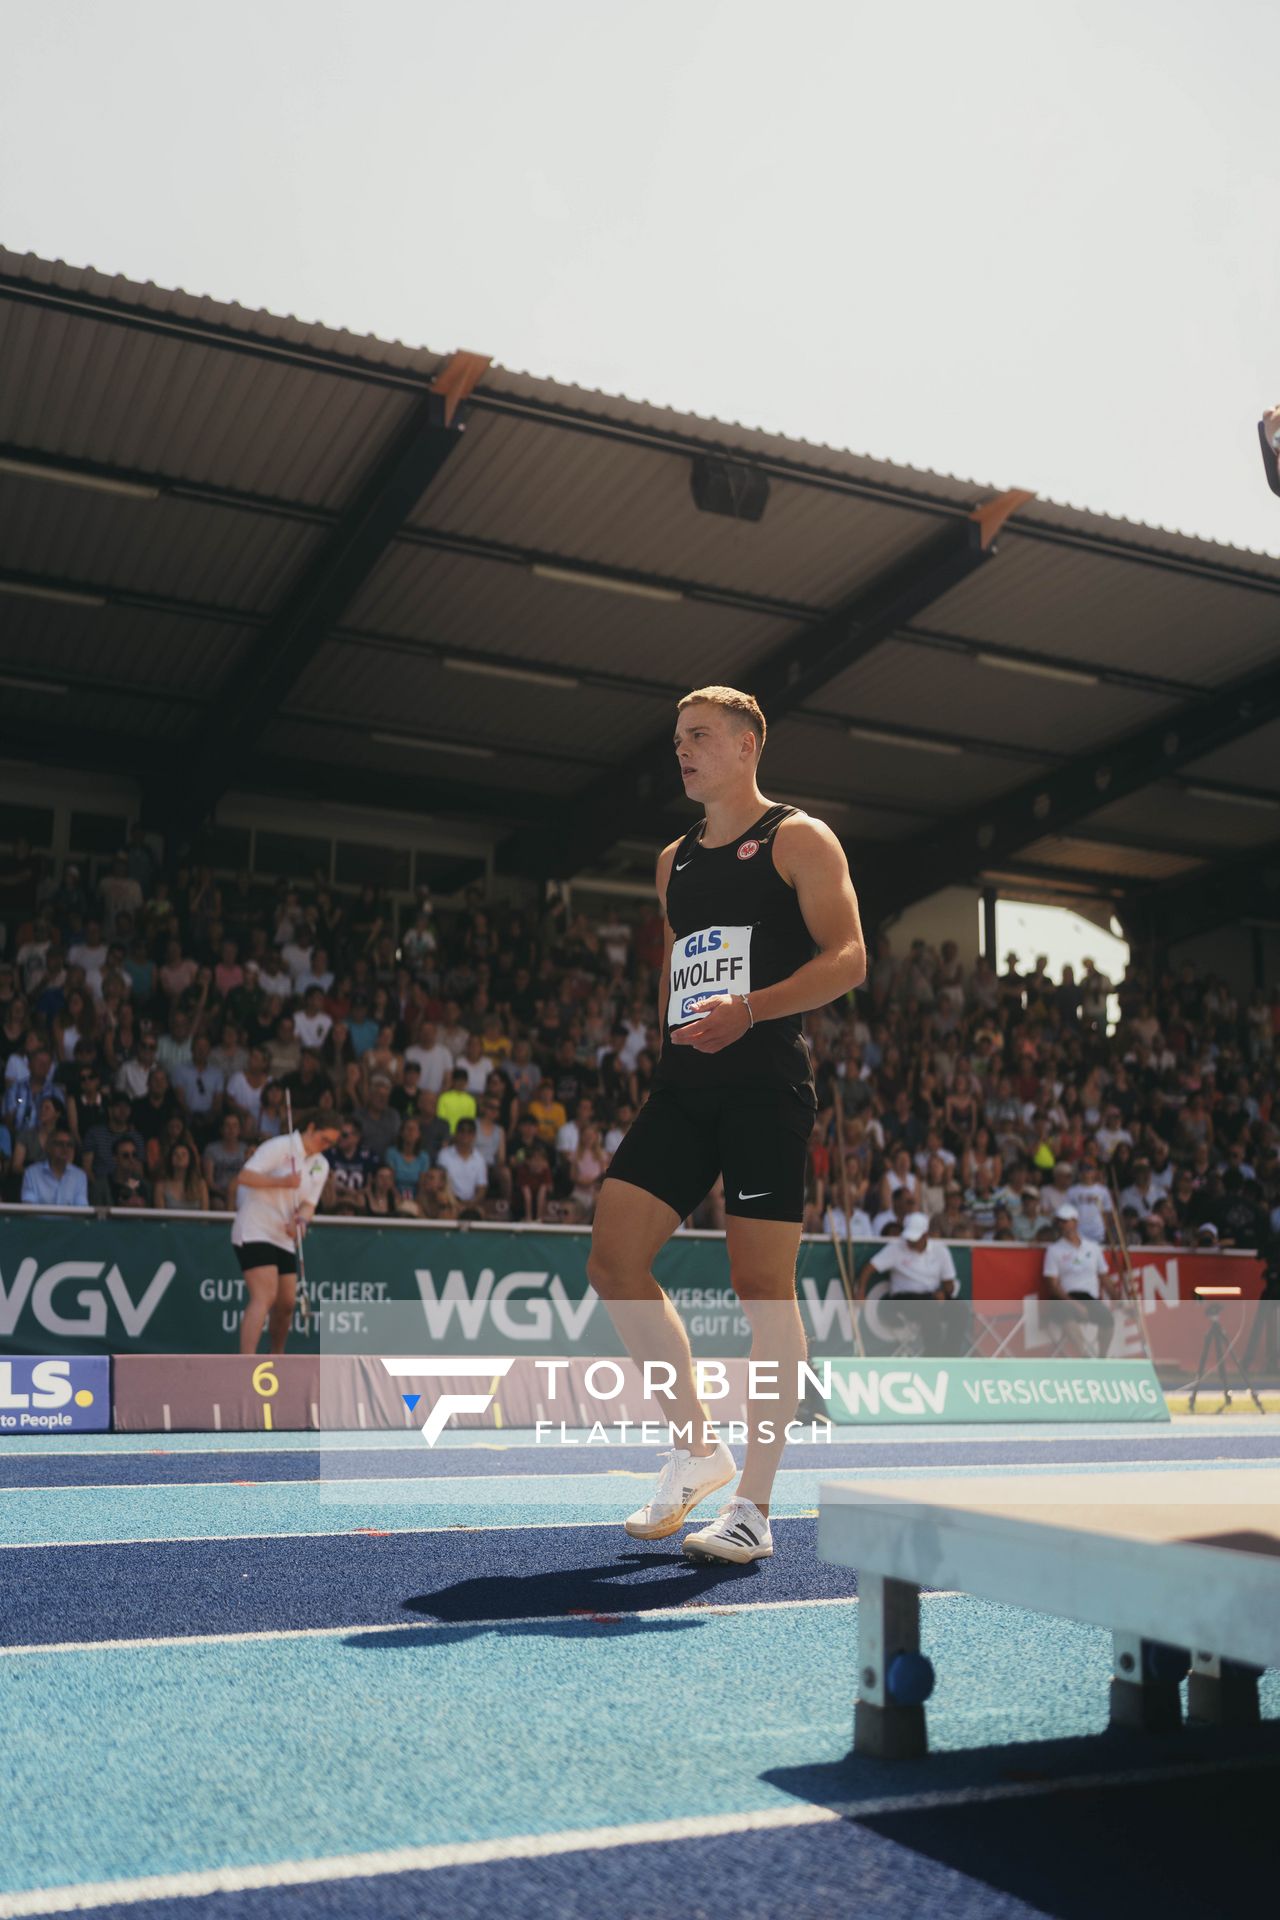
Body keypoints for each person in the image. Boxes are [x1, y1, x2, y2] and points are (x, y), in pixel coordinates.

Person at [589, 686, 866, 1564]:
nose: (683, 750)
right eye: (677, 738)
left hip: (763, 1087)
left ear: (749, 746)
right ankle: (698, 1446)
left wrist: (749, 1011)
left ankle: (753, 1504)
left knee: (760, 1286)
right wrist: (671, 1039)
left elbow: (850, 959)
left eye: (700, 736)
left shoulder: (797, 838)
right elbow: (678, 967)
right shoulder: (672, 861)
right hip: (684, 1086)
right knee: (613, 1258)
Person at [231, 1115, 340, 1355]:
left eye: (331, 1143)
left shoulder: (321, 1164)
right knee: (265, 1295)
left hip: (283, 1236)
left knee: (287, 1303)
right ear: (311, 1127)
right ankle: (245, 1361)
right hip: (255, 1227)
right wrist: (282, 1181)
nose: (326, 1146)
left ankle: (277, 1357)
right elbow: (245, 1176)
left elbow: (309, 1205)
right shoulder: (280, 1146)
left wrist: (300, 1222)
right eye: (324, 1139)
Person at [866, 1211, 959, 1355]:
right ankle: (933, 1355)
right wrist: (859, 1292)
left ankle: (951, 1354)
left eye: (914, 1239)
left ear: (925, 1235)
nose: (910, 1242)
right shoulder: (896, 1248)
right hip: (904, 1299)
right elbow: (870, 1267)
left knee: (959, 1309)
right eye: (908, 1238)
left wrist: (944, 1293)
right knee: (929, 1308)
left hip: (931, 1296)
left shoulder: (941, 1250)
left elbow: (949, 1283)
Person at [1042, 1202, 1117, 1356]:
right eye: (1059, 1222)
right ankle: (1083, 1358)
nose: (1062, 1225)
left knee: (1107, 1319)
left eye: (1065, 1221)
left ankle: (1102, 1359)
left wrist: (1119, 1298)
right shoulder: (1054, 1250)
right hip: (1065, 1297)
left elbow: (1105, 1277)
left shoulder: (1093, 1247)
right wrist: (1075, 1305)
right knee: (1065, 1313)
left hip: (1089, 1298)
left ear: (1075, 1222)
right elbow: (1053, 1286)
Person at [20, 1125, 89, 1208]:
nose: (65, 1149)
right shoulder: (31, 1173)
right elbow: (29, 1209)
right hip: (39, 1221)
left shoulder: (80, 1176)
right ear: (48, 1147)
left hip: (69, 1221)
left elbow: (81, 1210)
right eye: (60, 1144)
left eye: (69, 1145)